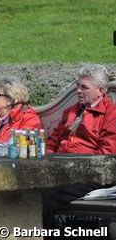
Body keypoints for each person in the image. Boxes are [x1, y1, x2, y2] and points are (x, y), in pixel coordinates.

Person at [42, 64, 116, 230]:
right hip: (59, 169)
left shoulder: (111, 114)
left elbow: (106, 155)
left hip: (90, 175)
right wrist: (44, 162)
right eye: (77, 86)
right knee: (25, 190)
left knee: (42, 196)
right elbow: (53, 142)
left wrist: (74, 167)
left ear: (101, 90)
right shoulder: (71, 111)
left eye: (84, 87)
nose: (79, 91)